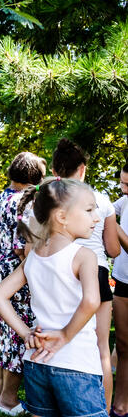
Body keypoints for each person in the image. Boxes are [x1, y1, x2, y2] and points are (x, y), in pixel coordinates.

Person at [0, 177, 106, 416]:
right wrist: (65, 335)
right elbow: (92, 301)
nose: (96, 217)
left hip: (36, 361)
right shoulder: (84, 256)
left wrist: (25, 333)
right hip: (77, 363)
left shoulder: (32, 258)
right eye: (89, 209)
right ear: (61, 217)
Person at [51, 139, 120, 408]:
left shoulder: (49, 199)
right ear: (82, 169)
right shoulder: (102, 201)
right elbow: (113, 250)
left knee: (60, 345)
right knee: (101, 349)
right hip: (98, 273)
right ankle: (102, 408)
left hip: (59, 272)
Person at [0, 151, 46, 415]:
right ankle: (8, 398)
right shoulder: (28, 201)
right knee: (19, 335)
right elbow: (23, 247)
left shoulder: (1, 197)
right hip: (15, 273)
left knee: (3, 335)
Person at [112, 162, 128, 417]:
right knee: (123, 346)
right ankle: (120, 406)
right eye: (122, 183)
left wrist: (112, 226)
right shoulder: (124, 202)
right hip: (122, 280)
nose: (123, 189)